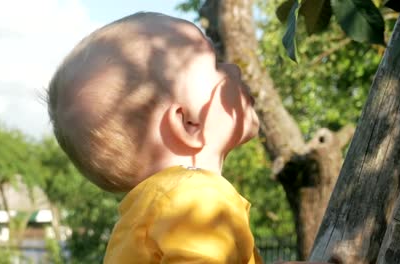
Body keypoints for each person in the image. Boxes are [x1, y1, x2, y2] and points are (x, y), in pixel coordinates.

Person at [47, 12, 262, 263]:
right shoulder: (198, 197)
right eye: (215, 65)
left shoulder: (141, 219)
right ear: (186, 123)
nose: (233, 69)